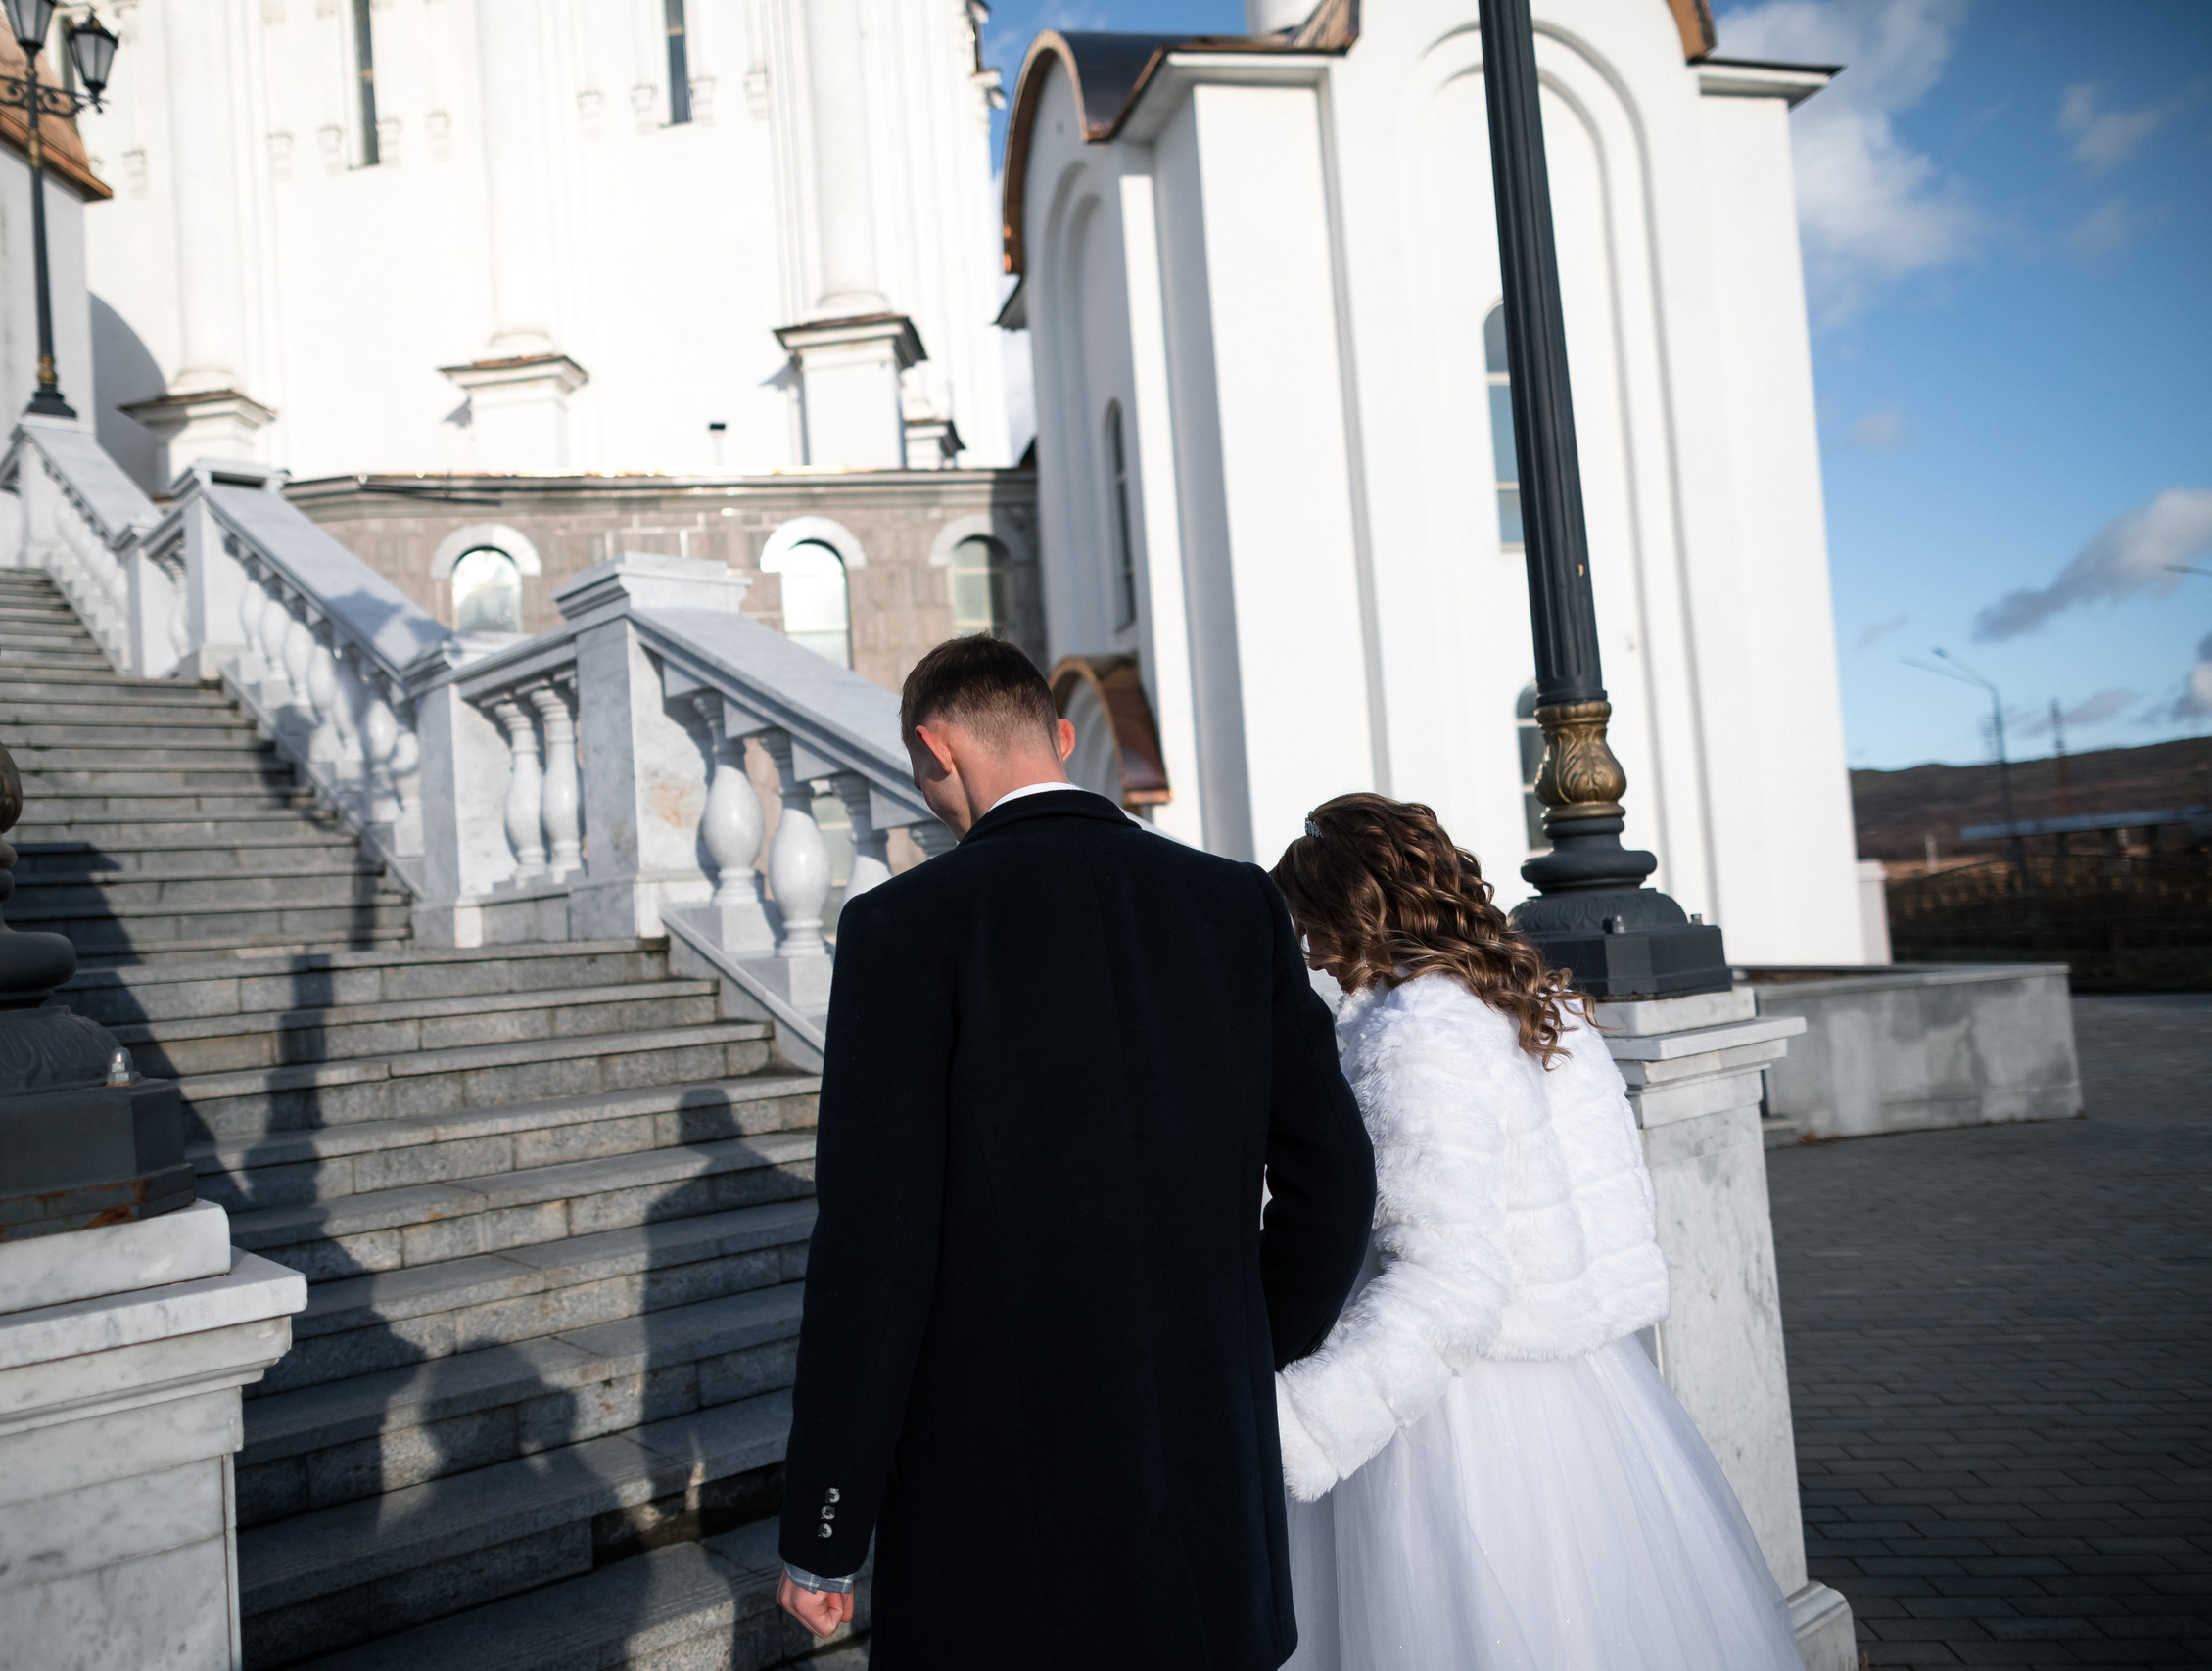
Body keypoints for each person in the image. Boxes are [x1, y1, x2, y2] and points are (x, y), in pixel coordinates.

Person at [772, 636, 1378, 1669]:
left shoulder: (904, 927)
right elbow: (1334, 1176)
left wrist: (826, 1529)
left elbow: (875, 1249)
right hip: (1204, 1491)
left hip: (999, 1503)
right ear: (1060, 738)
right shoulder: (1234, 903)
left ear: (932, 749)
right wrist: (1234, 1353)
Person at [1267, 793, 1806, 1671]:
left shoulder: (1416, 1035)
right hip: (1574, 1391)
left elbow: (1448, 1281)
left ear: (1348, 913)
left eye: (1306, 922)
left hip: (1451, 1412)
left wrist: (1304, 1425)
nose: (1305, 948)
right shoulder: (1535, 1005)